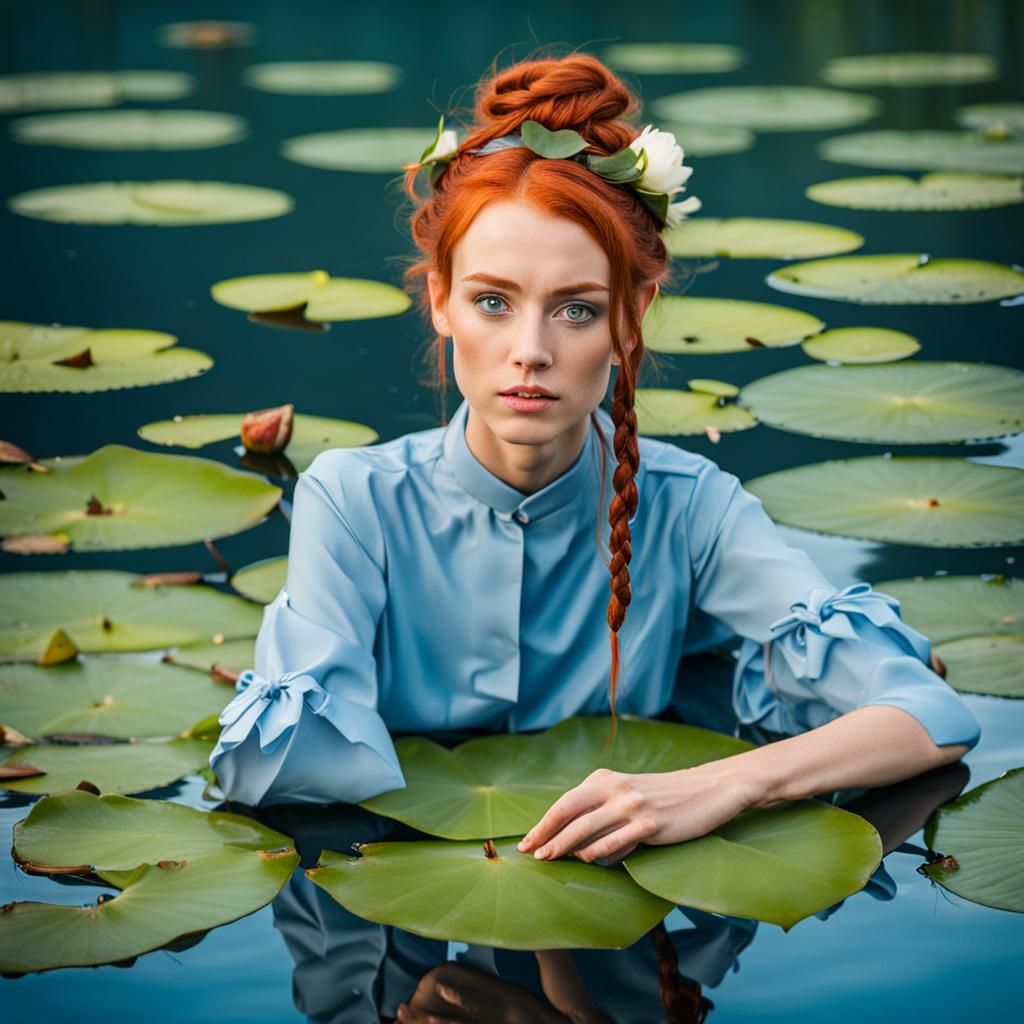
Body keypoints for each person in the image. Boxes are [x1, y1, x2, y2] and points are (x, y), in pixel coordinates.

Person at [210, 52, 980, 869]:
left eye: (577, 309)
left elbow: (930, 716)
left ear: (630, 316)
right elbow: (284, 769)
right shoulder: (352, 500)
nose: (530, 352)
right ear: (439, 299)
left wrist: (727, 783)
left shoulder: (692, 508)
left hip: (637, 901)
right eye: (492, 302)